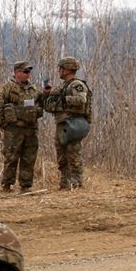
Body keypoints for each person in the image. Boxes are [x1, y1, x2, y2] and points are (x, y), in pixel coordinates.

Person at [42, 56, 92, 189]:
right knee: (62, 157)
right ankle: (65, 183)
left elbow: (81, 99)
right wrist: (47, 94)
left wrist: (64, 100)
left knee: (73, 154)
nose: (59, 71)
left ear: (68, 69)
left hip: (73, 124)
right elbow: (50, 105)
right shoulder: (64, 86)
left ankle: (77, 183)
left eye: (61, 68)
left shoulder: (77, 85)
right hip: (62, 124)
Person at [0, 61, 42, 192]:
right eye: (25, 71)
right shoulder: (7, 88)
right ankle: (7, 185)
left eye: (29, 72)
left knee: (29, 158)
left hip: (30, 129)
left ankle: (25, 186)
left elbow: (42, 105)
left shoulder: (34, 90)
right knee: (11, 157)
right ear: (17, 72)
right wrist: (4, 125)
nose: (28, 74)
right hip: (13, 130)